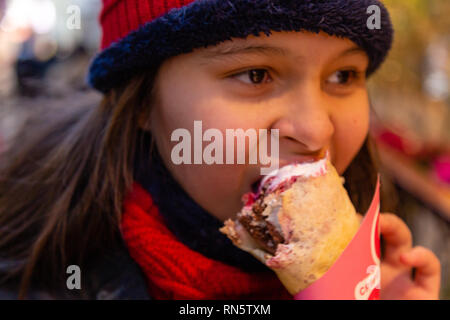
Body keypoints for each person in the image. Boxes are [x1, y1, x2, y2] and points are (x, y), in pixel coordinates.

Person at [0, 0, 441, 300]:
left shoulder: (384, 265)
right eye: (255, 74)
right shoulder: (37, 280)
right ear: (140, 103)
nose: (314, 129)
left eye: (343, 76)